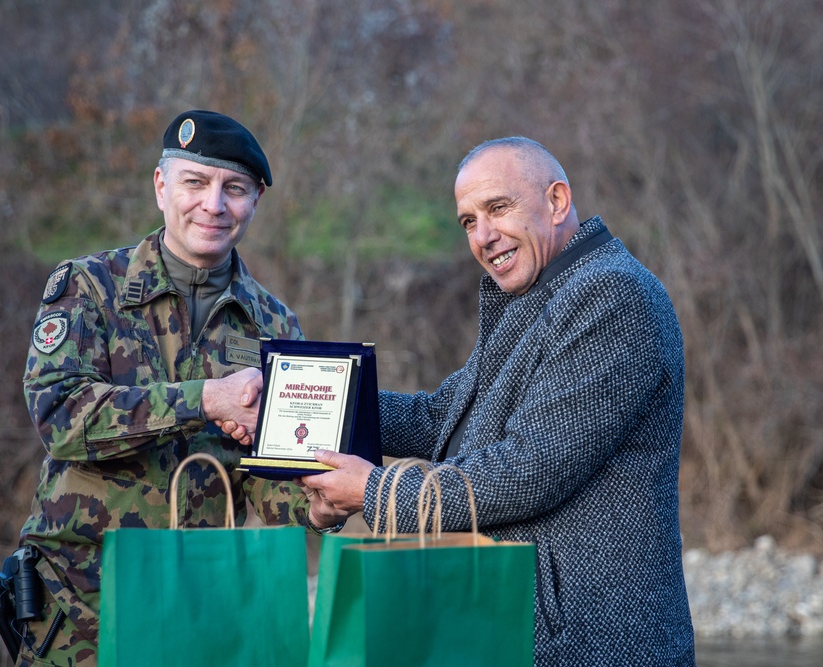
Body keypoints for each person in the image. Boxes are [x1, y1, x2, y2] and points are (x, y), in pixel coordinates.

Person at [232, 136, 696, 664]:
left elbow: (531, 468)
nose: (484, 235)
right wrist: (295, 398)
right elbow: (439, 419)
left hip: (592, 643)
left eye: (498, 208)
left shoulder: (612, 294)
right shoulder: (540, 296)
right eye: (468, 221)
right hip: (519, 624)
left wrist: (376, 491)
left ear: (557, 201)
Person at [12, 110, 312, 666]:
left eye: (235, 189)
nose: (214, 205)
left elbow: (269, 485)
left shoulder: (275, 326)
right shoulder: (90, 287)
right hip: (82, 607)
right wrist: (206, 399)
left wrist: (317, 501)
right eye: (195, 182)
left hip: (203, 604)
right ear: (160, 186)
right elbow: (61, 417)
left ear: (256, 201)